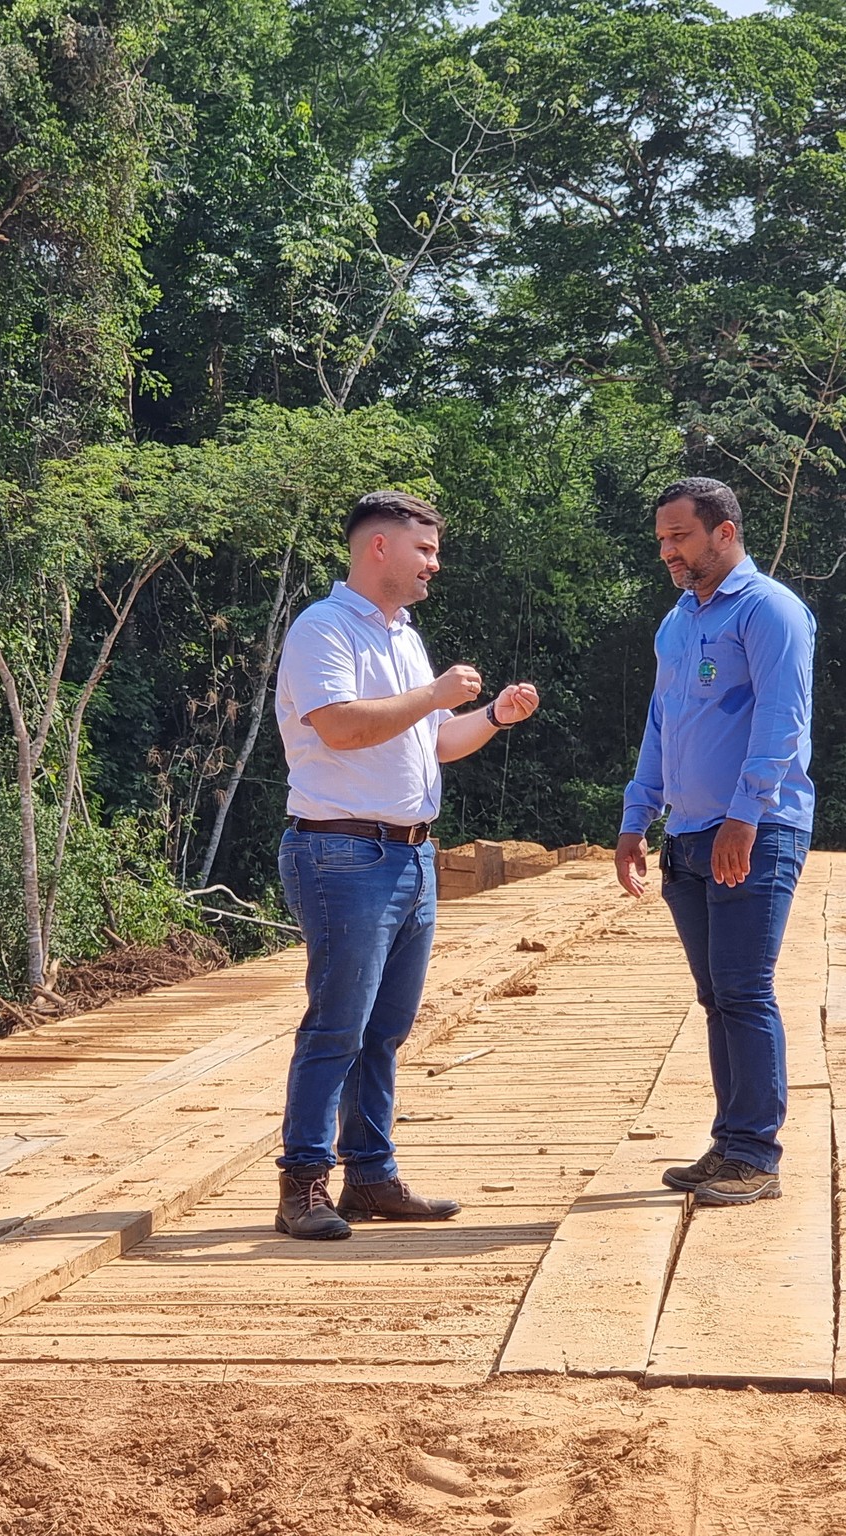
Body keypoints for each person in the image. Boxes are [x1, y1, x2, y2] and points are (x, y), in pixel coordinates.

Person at [269, 490, 541, 1240]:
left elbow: (431, 742)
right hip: (342, 851)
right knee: (338, 1025)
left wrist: (488, 718)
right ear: (378, 548)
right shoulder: (322, 629)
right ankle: (303, 1184)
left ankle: (371, 1176)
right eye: (423, 550)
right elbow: (343, 728)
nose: (434, 564)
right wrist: (434, 694)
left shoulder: (404, 635)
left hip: (410, 855)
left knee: (384, 1029)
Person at [615, 477, 816, 1207]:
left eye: (680, 537)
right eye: (662, 538)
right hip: (690, 833)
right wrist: (638, 817)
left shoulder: (770, 610)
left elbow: (781, 721)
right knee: (716, 997)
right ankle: (730, 1143)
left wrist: (746, 814)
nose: (667, 550)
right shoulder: (679, 621)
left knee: (745, 989)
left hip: (755, 832)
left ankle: (756, 1155)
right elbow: (661, 724)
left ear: (723, 532)